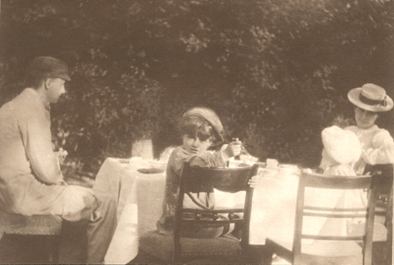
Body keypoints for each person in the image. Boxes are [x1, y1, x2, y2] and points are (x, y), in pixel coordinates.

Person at [0, 56, 116, 263]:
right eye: (62, 84)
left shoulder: (12, 105)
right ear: (48, 82)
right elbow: (47, 172)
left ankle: (67, 258)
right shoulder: (32, 109)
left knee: (79, 201)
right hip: (24, 196)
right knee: (104, 203)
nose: (64, 91)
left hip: (8, 192)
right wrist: (55, 164)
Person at [156, 107, 242, 238]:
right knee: (233, 224)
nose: (195, 144)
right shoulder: (178, 154)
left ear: (211, 142)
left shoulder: (208, 156)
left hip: (202, 219)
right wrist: (224, 155)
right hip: (178, 222)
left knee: (238, 219)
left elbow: (223, 184)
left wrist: (246, 180)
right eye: (190, 137)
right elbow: (194, 166)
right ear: (182, 136)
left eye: (202, 139)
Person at [345, 83, 394, 174]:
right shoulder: (348, 131)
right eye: (361, 110)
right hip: (338, 178)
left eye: (370, 113)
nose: (364, 117)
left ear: (377, 116)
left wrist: (363, 153)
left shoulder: (379, 134)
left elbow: (391, 153)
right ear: (355, 109)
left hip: (361, 184)